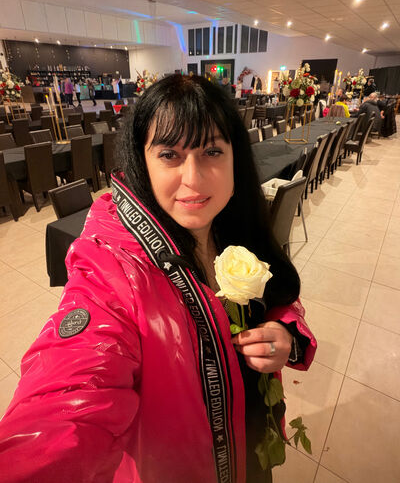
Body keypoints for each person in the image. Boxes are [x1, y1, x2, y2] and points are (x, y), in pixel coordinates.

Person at [0, 75, 316, 483]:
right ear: (141, 161)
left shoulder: (235, 222)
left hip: (253, 444)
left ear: (235, 157)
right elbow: (68, 395)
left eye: (212, 151)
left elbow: (279, 294)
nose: (194, 178)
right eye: (169, 154)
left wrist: (284, 332)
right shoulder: (113, 265)